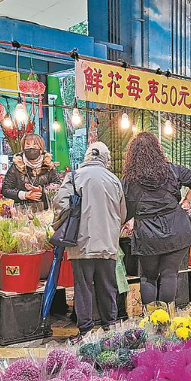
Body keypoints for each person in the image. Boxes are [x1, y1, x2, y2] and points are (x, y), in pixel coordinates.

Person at [122, 132, 191, 306]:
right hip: (176, 228)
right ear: (157, 150)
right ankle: (165, 322)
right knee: (170, 274)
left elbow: (124, 207)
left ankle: (151, 321)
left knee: (148, 277)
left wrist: (129, 220)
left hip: (147, 233)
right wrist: (187, 201)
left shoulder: (128, 180)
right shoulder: (172, 170)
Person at [55, 142, 126, 337]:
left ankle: (85, 329)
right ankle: (109, 326)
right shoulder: (114, 179)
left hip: (81, 243)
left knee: (83, 287)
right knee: (107, 286)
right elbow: (122, 213)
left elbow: (60, 204)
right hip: (107, 244)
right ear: (105, 158)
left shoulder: (74, 177)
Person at [2, 133, 60, 211]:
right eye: (28, 146)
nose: (31, 148)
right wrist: (25, 195)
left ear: (41, 149)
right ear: (23, 148)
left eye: (35, 146)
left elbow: (58, 187)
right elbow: (6, 189)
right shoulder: (16, 166)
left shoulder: (49, 166)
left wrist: (41, 191)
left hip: (46, 210)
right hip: (22, 211)